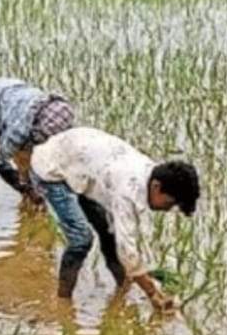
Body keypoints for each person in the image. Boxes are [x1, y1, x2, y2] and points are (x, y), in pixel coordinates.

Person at [30, 128, 200, 309]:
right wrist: (153, 293)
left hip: (81, 165)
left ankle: (123, 286)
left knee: (108, 233)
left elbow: (125, 239)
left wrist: (139, 273)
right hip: (52, 167)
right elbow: (127, 250)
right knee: (81, 240)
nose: (168, 209)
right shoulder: (127, 191)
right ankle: (63, 302)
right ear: (156, 187)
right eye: (169, 203)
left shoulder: (151, 175)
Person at [0, 78, 75, 213]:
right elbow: (0, 162)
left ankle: (31, 207)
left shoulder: (62, 118)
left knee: (31, 171)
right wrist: (23, 188)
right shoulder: (19, 131)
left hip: (11, 98)